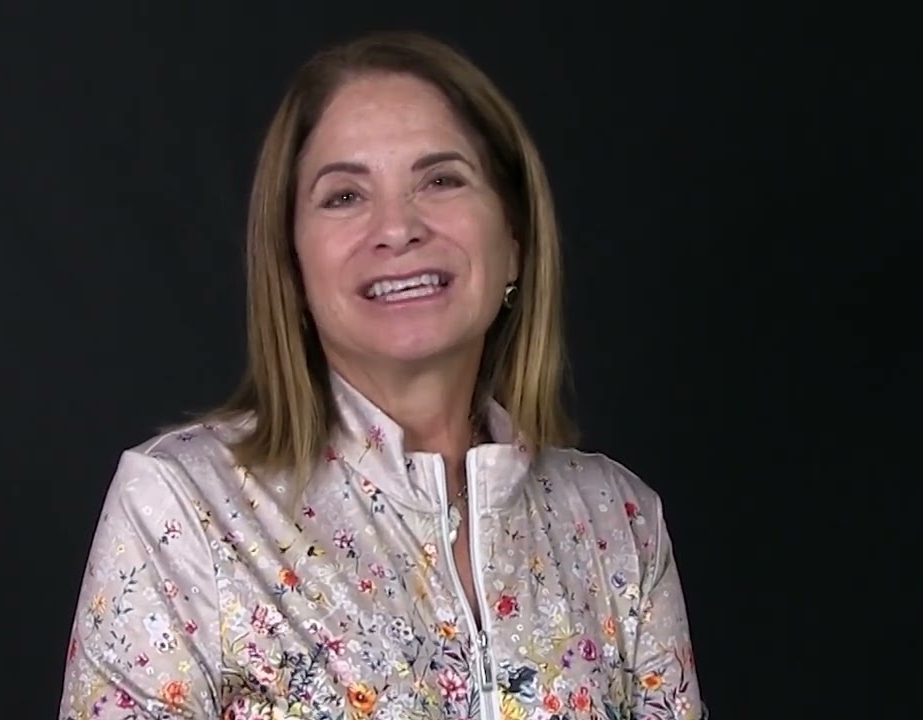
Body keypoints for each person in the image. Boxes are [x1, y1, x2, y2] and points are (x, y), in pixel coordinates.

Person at [58, 30, 707, 720]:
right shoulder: (183, 508)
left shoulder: (619, 521)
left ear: (514, 243)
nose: (397, 228)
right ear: (293, 263)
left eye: (440, 179)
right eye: (344, 196)